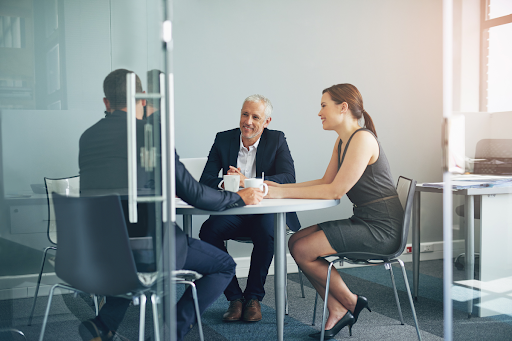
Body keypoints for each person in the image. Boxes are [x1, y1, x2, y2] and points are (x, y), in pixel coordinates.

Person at [78, 69, 264, 341]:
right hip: (149, 247)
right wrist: (239, 197)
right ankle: (173, 328)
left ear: (106, 102)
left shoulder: (89, 137)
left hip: (103, 246)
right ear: (142, 98)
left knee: (132, 255)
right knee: (223, 264)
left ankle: (103, 326)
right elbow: (194, 194)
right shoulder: (151, 134)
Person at [265, 84, 403, 339]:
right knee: (296, 241)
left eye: (323, 105)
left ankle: (348, 303)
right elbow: (324, 181)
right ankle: (338, 307)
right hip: (365, 220)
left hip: (382, 229)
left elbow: (334, 191)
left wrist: (279, 193)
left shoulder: (362, 139)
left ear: (343, 107)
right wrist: (281, 187)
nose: (319, 112)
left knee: (304, 249)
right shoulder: (343, 141)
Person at [198, 94, 300, 322]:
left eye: (256, 117)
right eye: (245, 114)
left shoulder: (277, 140)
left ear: (267, 122)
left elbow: (288, 178)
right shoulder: (223, 139)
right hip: (234, 211)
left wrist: (247, 182)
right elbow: (205, 180)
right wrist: (229, 183)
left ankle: (253, 297)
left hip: (264, 211)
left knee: (268, 230)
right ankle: (234, 297)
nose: (248, 121)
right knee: (208, 231)